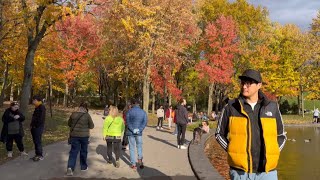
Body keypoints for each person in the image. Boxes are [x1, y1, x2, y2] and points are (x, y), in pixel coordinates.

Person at [215, 69, 287, 179]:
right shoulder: (230, 107)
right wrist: (231, 149)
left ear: (259, 85)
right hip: (240, 173)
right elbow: (219, 134)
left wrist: (274, 151)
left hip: (267, 173)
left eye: (248, 84)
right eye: (243, 83)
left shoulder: (272, 107)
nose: (244, 86)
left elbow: (281, 135)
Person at [66, 102, 94, 176]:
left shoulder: (73, 114)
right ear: (86, 108)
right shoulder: (87, 115)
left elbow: (69, 124)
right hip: (84, 137)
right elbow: (92, 126)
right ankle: (83, 167)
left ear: (79, 107)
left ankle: (70, 168)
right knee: (83, 151)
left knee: (73, 152)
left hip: (74, 136)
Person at [126, 98, 148, 169]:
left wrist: (133, 130)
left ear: (133, 104)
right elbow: (144, 122)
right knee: (139, 146)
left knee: (132, 148)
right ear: (139, 104)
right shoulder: (143, 112)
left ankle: (133, 164)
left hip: (130, 132)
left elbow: (128, 122)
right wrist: (139, 129)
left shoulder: (129, 112)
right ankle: (140, 159)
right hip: (139, 132)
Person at [30, 95, 46, 162]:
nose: (33, 101)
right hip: (34, 127)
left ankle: (40, 155)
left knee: (38, 141)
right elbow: (34, 117)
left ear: (37, 100)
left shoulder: (41, 107)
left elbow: (41, 119)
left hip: (38, 127)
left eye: (34, 100)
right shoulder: (37, 107)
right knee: (35, 141)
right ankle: (37, 154)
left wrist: (36, 126)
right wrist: (31, 125)